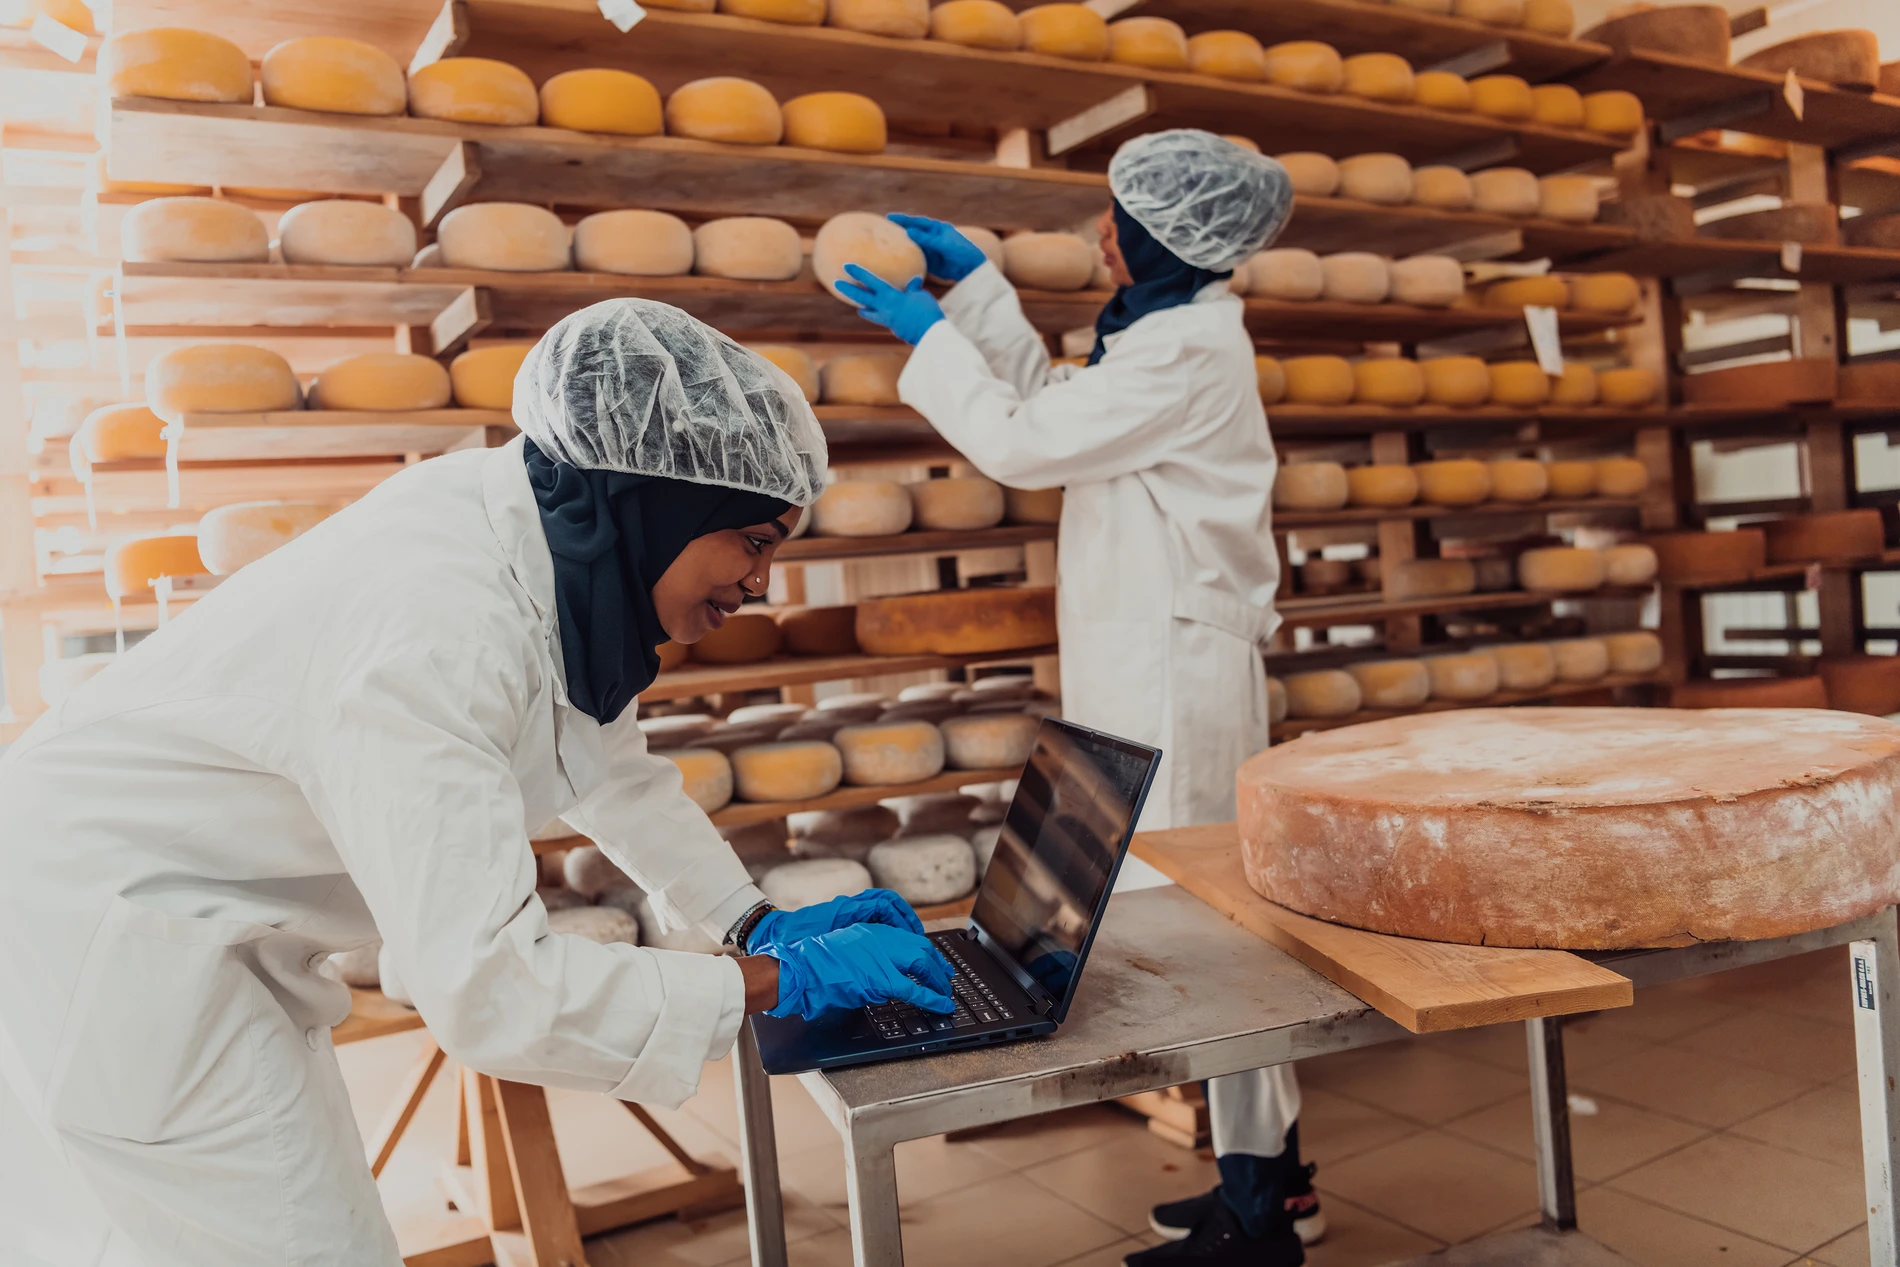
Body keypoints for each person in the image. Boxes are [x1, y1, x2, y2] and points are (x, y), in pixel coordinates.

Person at [0, 299, 955, 1267]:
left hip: (181, 915)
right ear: (656, 500)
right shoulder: (436, 633)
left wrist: (749, 919)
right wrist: (779, 982)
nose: (762, 584)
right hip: (119, 938)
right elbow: (492, 991)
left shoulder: (544, 540)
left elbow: (606, 766)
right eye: (753, 540)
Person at [837, 129, 1317, 1267]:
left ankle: (1262, 1216)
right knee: (1204, 929)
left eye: (1120, 218)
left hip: (1175, 678)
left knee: (1207, 937)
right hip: (1145, 662)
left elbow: (1022, 440)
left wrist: (929, 333)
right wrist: (977, 295)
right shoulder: (1160, 338)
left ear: (1165, 237)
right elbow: (1057, 403)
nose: (1104, 233)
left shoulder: (1187, 352)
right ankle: (1270, 1180)